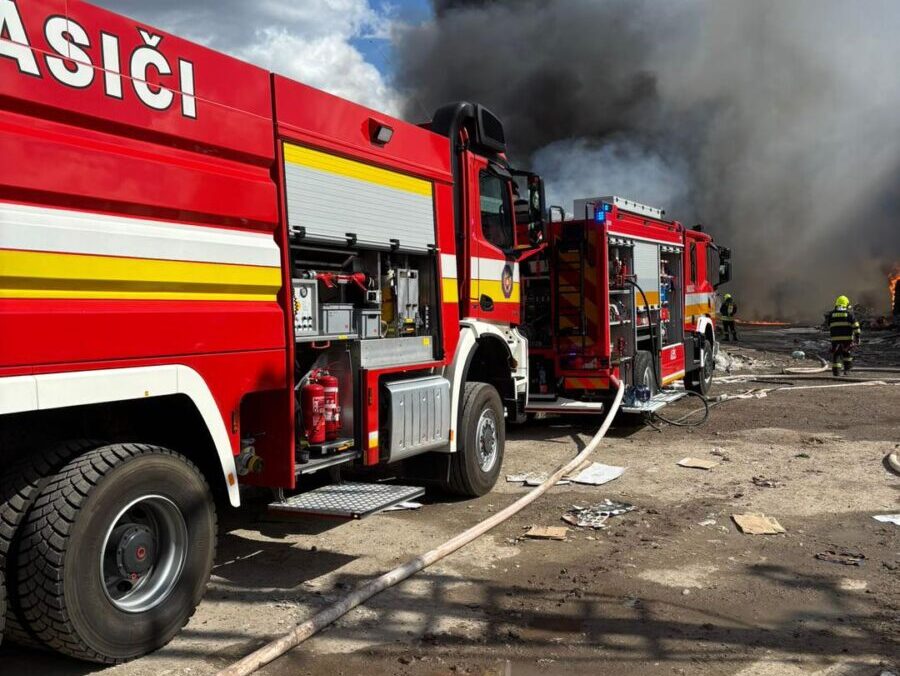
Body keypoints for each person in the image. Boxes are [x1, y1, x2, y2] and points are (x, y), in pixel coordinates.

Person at [826, 295, 861, 376]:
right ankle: (847, 370)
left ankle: (836, 372)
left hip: (835, 339)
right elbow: (856, 326)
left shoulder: (831, 314)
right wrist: (857, 337)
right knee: (847, 354)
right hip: (847, 338)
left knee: (836, 354)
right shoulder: (849, 314)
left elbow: (828, 325)